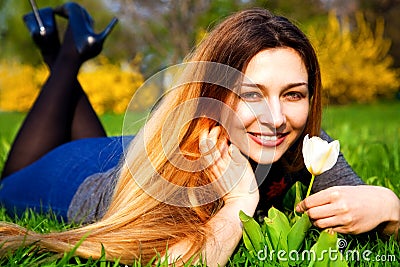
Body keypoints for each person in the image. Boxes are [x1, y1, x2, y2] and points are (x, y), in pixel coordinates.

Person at [0, 3, 399, 266]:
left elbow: (365, 209)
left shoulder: (304, 143)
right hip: (76, 176)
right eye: (251, 94)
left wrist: (389, 205)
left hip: (127, 149)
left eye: (293, 94)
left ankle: (59, 49)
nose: (276, 118)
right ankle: (68, 54)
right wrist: (240, 202)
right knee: (9, 180)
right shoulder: (178, 162)